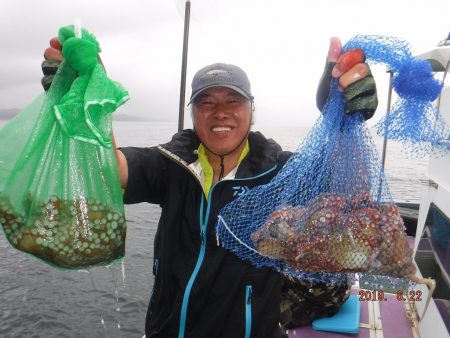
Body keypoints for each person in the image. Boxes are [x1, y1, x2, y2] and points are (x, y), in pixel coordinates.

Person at [42, 35, 377, 337]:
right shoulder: (170, 165)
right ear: (193, 113)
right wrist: (89, 104)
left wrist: (343, 120)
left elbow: (348, 189)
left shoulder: (282, 173)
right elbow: (108, 172)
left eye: (233, 101)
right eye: (207, 102)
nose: (221, 113)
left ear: (252, 110)